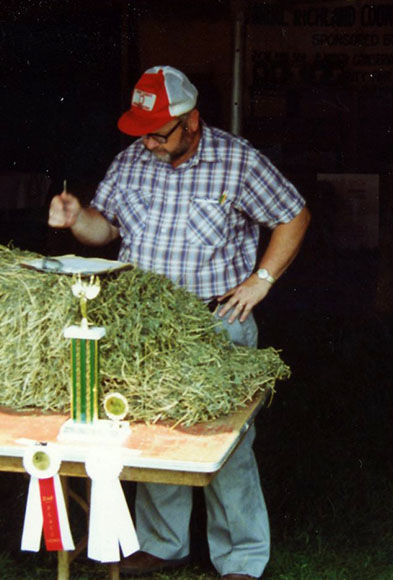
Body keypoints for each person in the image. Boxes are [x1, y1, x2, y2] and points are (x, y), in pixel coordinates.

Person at [48, 65, 310, 579]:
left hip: (217, 322)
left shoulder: (238, 162)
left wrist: (262, 279)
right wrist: (78, 217)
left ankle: (241, 557)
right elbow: (105, 230)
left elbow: (293, 214)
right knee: (152, 432)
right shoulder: (131, 161)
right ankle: (162, 544)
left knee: (225, 442)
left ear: (191, 122)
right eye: (142, 132)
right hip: (147, 325)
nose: (148, 143)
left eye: (158, 132)